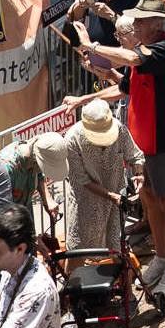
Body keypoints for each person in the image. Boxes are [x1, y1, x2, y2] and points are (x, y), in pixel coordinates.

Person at [74, 4, 165, 297]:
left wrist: (91, 45)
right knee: (149, 199)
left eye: (139, 22)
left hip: (164, 141)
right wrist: (84, 99)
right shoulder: (143, 54)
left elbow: (133, 59)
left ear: (155, 23)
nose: (134, 27)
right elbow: (124, 88)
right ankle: (162, 257)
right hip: (142, 143)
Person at [60, 99, 139, 253]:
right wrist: (111, 196)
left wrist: (139, 174)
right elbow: (82, 180)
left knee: (114, 248)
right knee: (78, 250)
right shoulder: (72, 140)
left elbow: (134, 156)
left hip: (115, 199)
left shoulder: (119, 129)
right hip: (86, 202)